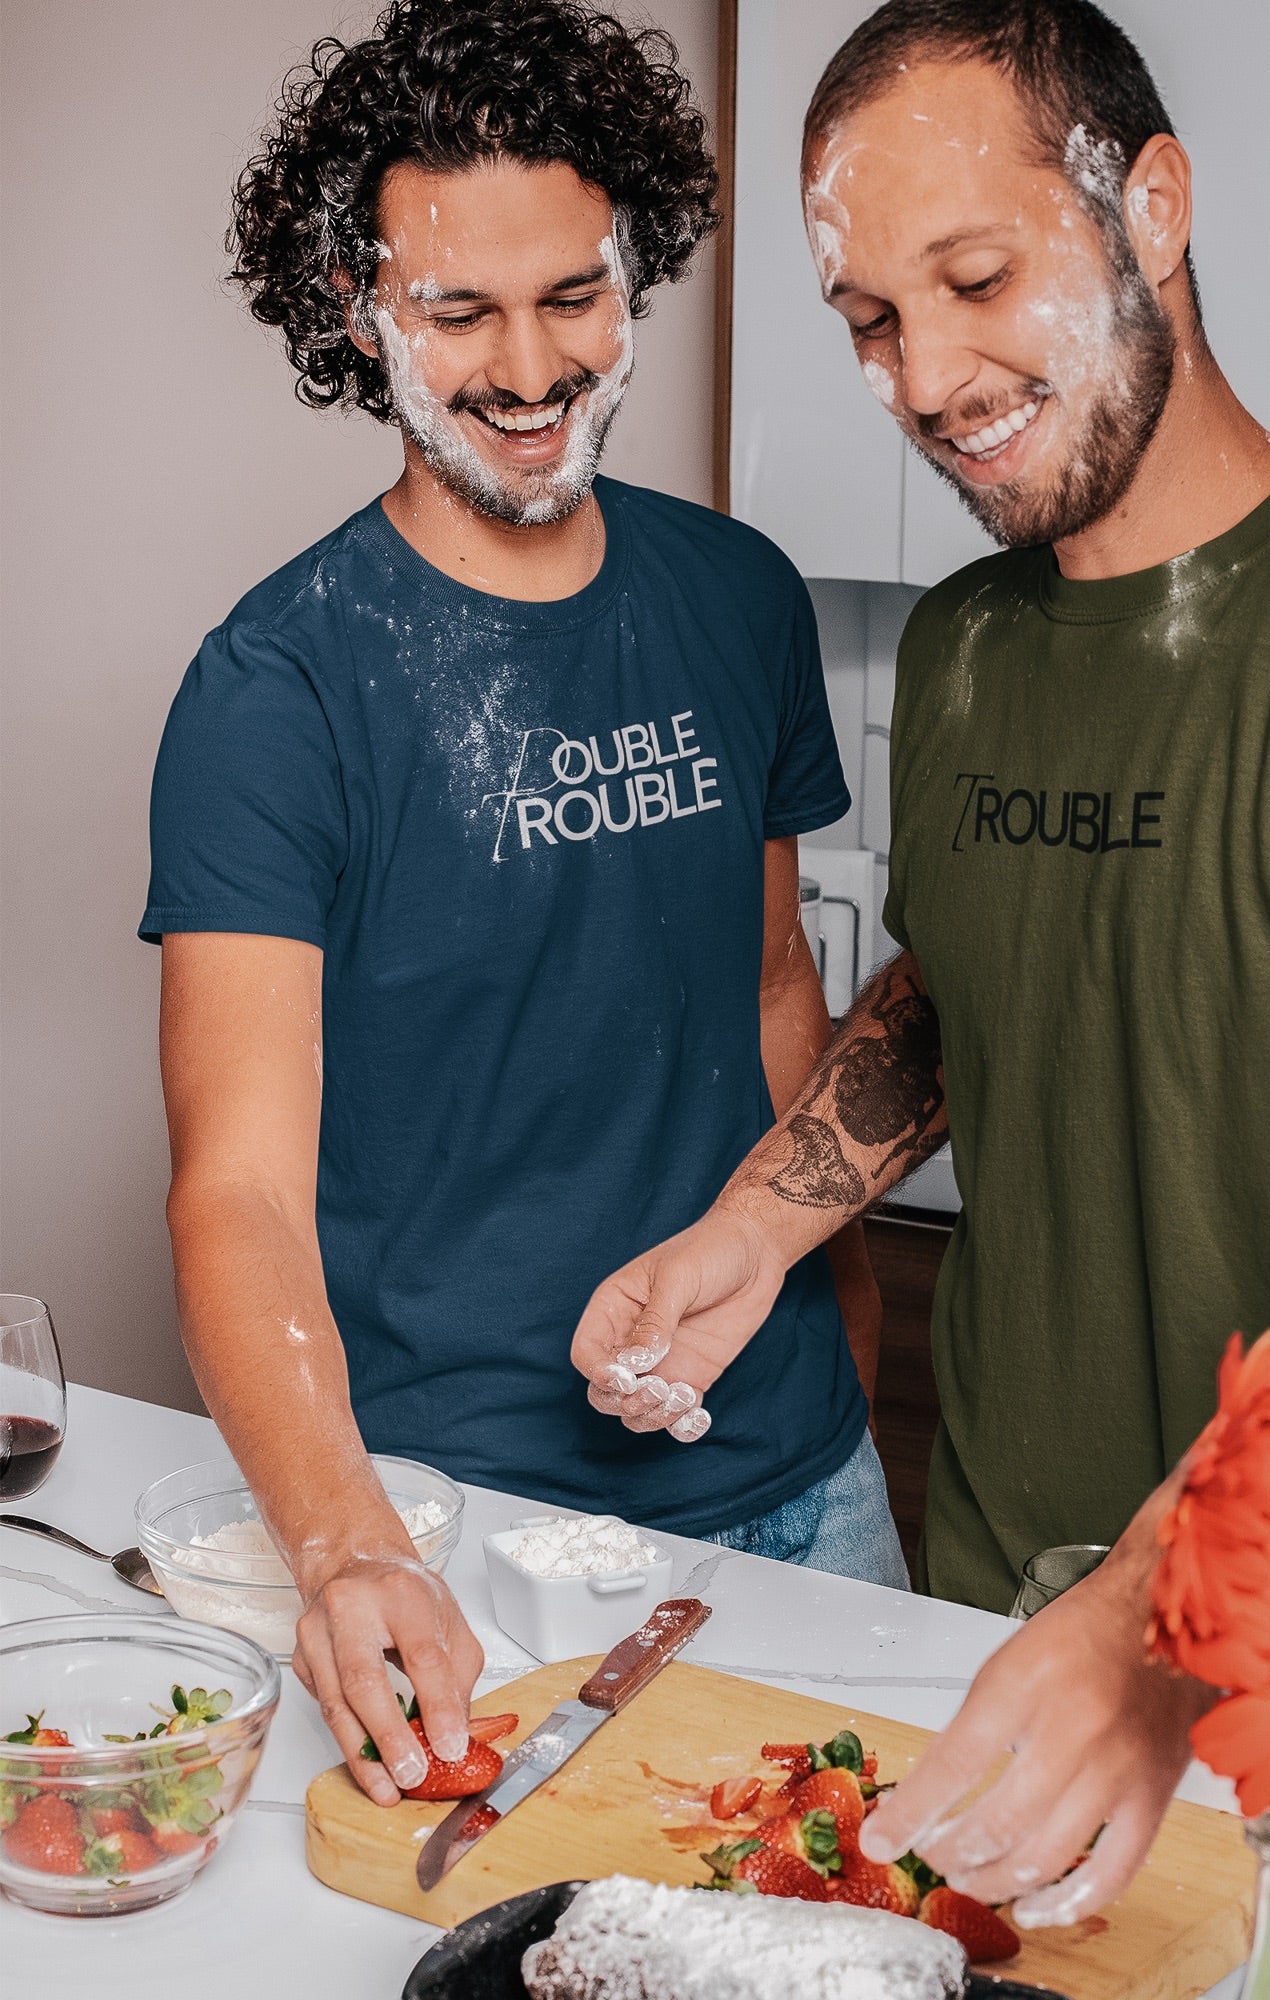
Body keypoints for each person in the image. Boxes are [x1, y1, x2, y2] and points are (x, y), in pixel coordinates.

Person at [571, 0, 1270, 1924]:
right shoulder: (964, 653)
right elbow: (966, 989)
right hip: (1003, 1645)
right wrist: (760, 1225)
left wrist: (1155, 1616)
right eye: (872, 319)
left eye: (977, 278)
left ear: (1155, 207)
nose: (926, 374)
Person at [142, 0, 898, 1811]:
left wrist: (840, 1351)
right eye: (457, 311)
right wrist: (343, 1547)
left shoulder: (737, 596)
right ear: (358, 312)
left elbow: (778, 992)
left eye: (572, 295)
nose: (528, 366)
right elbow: (235, 1186)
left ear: (636, 266)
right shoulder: (278, 689)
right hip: (463, 1533)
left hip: (807, 1491)